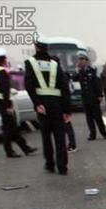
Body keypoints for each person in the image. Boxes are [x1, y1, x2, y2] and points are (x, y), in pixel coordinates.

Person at [25, 37, 71, 175]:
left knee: (46, 136)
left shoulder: (30, 63)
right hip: (57, 104)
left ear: (37, 48)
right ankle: (62, 166)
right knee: (60, 137)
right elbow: (64, 87)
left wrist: (37, 103)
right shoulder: (54, 64)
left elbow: (29, 85)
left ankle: (50, 163)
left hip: (42, 106)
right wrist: (67, 109)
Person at [0, 48, 36, 158]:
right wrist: (8, 105)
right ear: (4, 60)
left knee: (11, 127)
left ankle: (24, 148)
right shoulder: (2, 72)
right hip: (4, 103)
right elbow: (5, 90)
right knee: (9, 128)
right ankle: (11, 151)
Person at [76, 52, 106, 141]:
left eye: (82, 60)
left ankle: (103, 132)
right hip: (85, 98)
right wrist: (77, 68)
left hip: (93, 97)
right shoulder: (80, 72)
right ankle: (92, 134)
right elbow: (74, 78)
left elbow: (97, 83)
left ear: (86, 61)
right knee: (89, 117)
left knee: (97, 117)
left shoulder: (92, 70)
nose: (81, 62)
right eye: (79, 60)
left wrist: (100, 95)